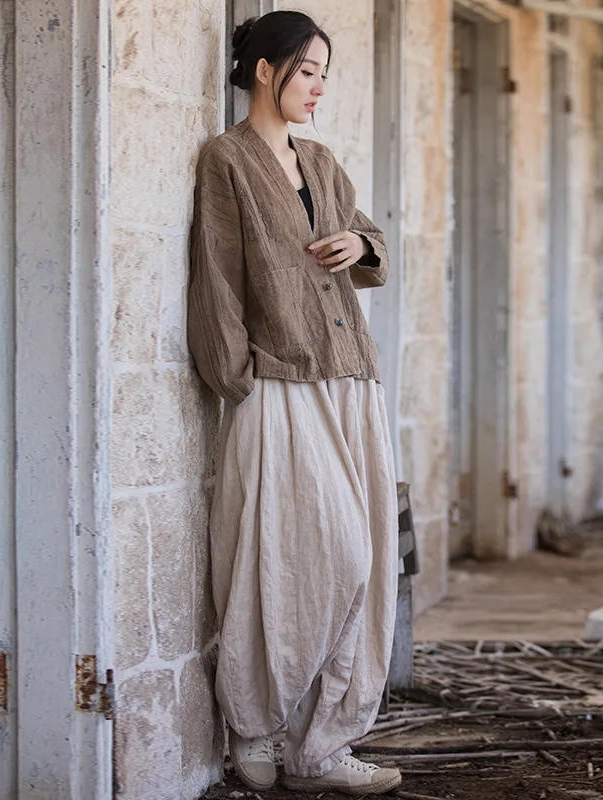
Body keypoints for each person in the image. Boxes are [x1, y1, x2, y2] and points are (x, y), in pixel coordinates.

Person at [187, 10, 400, 796]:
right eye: (306, 70)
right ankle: (257, 725)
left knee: (363, 563)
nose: (315, 87)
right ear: (267, 70)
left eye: (324, 75)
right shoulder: (228, 161)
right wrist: (238, 378)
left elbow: (367, 239)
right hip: (278, 382)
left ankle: (319, 747)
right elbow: (215, 272)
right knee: (293, 560)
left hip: (349, 377)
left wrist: (358, 244)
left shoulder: (322, 160)